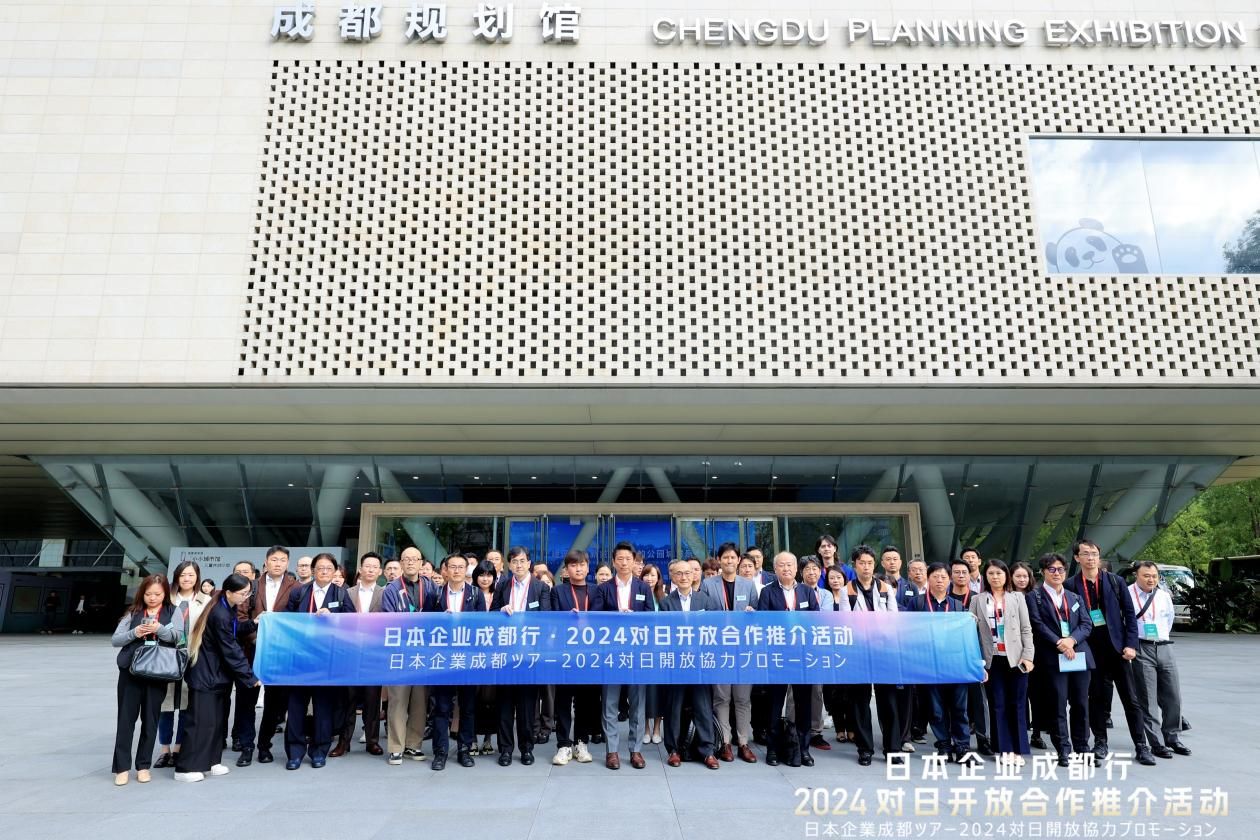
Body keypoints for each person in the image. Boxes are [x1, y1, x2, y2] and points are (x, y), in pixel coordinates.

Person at [1065, 539, 1155, 765]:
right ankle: (1100, 742)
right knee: (1096, 698)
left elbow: (1129, 615)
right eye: (1085, 554)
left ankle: (1141, 745)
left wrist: (1131, 645)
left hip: (1118, 649)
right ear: (1077, 558)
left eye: (1094, 553)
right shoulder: (1071, 585)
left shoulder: (1115, 581)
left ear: (1099, 556)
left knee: (1131, 699)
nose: (1090, 558)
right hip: (1090, 650)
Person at [174, 574, 259, 782]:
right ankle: (185, 769)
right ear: (229, 592)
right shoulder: (220, 612)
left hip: (218, 674)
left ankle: (211, 761)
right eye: (243, 593)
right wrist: (249, 676)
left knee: (215, 721)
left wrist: (253, 623)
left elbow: (233, 630)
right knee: (200, 722)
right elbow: (230, 648)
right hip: (207, 675)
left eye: (248, 593)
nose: (246, 597)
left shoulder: (226, 607)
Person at [111, 574, 185, 786]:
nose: (152, 598)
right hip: (130, 673)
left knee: (150, 721)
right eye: (148, 594)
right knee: (125, 720)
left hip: (157, 672)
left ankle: (143, 766)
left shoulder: (173, 611)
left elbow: (179, 636)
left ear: (165, 594)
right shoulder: (133, 612)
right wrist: (135, 632)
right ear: (142, 594)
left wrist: (159, 629)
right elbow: (115, 640)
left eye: (157, 594)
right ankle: (121, 768)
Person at [283, 552, 356, 769]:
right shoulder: (299, 591)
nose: (324, 571)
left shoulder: (341, 594)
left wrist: (334, 618)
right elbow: (287, 620)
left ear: (335, 572)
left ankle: (319, 750)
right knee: (296, 706)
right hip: (301, 658)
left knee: (324, 707)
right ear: (313, 570)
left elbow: (353, 623)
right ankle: (295, 752)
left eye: (328, 568)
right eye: (320, 568)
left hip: (327, 659)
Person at [838, 545, 905, 766]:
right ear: (855, 565)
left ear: (874, 564)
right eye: (861, 563)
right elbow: (846, 621)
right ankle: (865, 749)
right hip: (859, 650)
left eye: (869, 563)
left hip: (884, 650)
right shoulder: (847, 590)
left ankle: (892, 749)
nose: (866, 567)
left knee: (889, 702)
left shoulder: (885, 587)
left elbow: (894, 617)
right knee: (860, 701)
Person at [1026, 552, 1094, 767]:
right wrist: (1060, 643)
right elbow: (1037, 624)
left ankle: (1082, 748)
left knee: (1081, 704)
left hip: (1078, 655)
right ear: (1043, 572)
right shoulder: (1034, 597)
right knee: (1057, 704)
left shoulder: (1074, 597)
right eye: (1052, 569)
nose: (1057, 573)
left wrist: (1071, 641)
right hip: (1052, 657)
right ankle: (1063, 749)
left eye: (1061, 569)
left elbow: (1086, 624)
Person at [592, 541, 655, 770]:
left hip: (636, 654)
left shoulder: (643, 588)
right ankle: (612, 751)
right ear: (614, 561)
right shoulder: (604, 588)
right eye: (620, 559)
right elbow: (596, 616)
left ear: (634, 561)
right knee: (610, 703)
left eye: (629, 559)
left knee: (637, 704)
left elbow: (651, 617)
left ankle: (635, 750)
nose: (624, 563)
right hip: (612, 654)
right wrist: (617, 616)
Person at [906, 563, 975, 763]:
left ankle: (962, 747)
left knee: (959, 708)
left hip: (955, 664)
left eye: (944, 577)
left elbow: (965, 636)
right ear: (928, 579)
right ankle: (944, 746)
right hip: (929, 664)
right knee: (936, 709)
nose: (939, 581)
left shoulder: (957, 606)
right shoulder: (917, 603)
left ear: (949, 580)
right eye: (935, 577)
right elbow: (908, 631)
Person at [757, 550, 819, 767]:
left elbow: (816, 621)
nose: (786, 568)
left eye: (789, 565)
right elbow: (762, 624)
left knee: (803, 705)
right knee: (774, 705)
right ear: (775, 569)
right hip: (777, 657)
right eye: (781, 565)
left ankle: (803, 749)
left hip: (802, 658)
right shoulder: (767, 592)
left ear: (796, 569)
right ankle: (773, 750)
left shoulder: (807, 592)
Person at [491, 547, 552, 767]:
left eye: (522, 561)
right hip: (506, 655)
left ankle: (526, 748)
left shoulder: (541, 587)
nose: (518, 565)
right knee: (505, 706)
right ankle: (505, 750)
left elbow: (545, 618)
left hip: (529, 655)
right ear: (509, 565)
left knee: (527, 707)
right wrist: (500, 612)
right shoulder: (502, 586)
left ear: (529, 563)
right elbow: (491, 616)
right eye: (514, 561)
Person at [971, 560, 1035, 765]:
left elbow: (1026, 629)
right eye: (991, 573)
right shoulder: (977, 599)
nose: (995, 577)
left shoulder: (1017, 597)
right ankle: (1004, 750)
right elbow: (972, 633)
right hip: (992, 659)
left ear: (1006, 575)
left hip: (1016, 658)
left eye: (999, 573)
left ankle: (1018, 750)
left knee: (1017, 703)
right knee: (997, 704)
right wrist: (977, 662)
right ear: (986, 576)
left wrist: (1028, 656)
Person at [699, 541, 758, 763]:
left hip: (743, 650)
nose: (729, 561)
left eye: (733, 557)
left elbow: (757, 617)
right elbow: (704, 614)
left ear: (739, 560)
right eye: (725, 557)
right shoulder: (708, 584)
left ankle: (743, 742)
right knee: (721, 697)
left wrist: (752, 612)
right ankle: (725, 742)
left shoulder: (748, 585)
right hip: (719, 649)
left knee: (742, 698)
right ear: (719, 560)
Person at [660, 558, 721, 769]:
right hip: (676, 663)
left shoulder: (705, 600)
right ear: (673, 577)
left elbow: (713, 630)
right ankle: (673, 750)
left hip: (699, 664)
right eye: (679, 573)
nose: (684, 577)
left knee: (702, 707)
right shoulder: (666, 603)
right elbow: (664, 634)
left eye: (687, 573)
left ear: (694, 575)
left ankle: (707, 751)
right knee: (674, 707)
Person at [1128, 561, 1189, 759]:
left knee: (1173, 696)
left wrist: (1160, 637)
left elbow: (1169, 619)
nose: (1151, 579)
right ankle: (1156, 743)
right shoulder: (1127, 594)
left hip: (1164, 646)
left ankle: (1172, 737)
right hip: (1141, 647)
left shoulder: (1163, 595)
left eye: (1154, 576)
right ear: (1136, 575)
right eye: (1146, 575)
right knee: (1148, 699)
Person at [379, 546, 434, 765]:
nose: (410, 562)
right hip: (400, 652)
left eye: (415, 559)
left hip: (423, 652)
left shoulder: (431, 586)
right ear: (401, 563)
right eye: (406, 559)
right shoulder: (391, 589)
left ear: (421, 563)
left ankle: (413, 744)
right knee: (398, 700)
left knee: (420, 702)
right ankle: (395, 747)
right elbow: (388, 620)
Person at [430, 553, 484, 771]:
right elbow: (427, 624)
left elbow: (483, 625)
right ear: (445, 569)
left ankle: (464, 749)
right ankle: (440, 752)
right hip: (443, 659)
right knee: (442, 708)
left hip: (468, 658)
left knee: (468, 707)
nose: (457, 571)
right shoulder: (435, 594)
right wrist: (441, 619)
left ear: (466, 570)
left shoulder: (476, 594)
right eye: (452, 566)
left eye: (461, 567)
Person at [155, 560, 211, 770]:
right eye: (183, 575)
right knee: (166, 704)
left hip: (192, 657)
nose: (187, 579)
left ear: (197, 577)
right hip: (167, 656)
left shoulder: (205, 600)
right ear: (176, 577)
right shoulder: (166, 598)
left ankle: (179, 749)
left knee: (187, 705)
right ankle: (165, 750)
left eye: (191, 575)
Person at [250, 545, 297, 765]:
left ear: (288, 563)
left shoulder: (296, 587)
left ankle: (267, 747)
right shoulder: (252, 586)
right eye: (274, 559)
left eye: (282, 560)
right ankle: (249, 746)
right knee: (249, 701)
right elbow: (242, 615)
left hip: (282, 652)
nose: (278, 564)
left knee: (276, 702)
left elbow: (298, 619)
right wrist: (254, 638)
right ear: (266, 562)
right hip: (254, 648)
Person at [550, 550, 598, 766]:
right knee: (563, 700)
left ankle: (581, 742)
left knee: (585, 701)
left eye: (582, 565)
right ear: (566, 569)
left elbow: (604, 618)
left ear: (588, 567)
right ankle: (563, 744)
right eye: (573, 565)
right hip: (565, 654)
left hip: (589, 655)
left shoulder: (597, 591)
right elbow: (551, 620)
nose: (578, 569)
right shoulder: (558, 591)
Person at [335, 552, 384, 757]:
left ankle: (372, 741)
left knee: (372, 700)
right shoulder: (347, 593)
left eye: (375, 567)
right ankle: (343, 742)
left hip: (374, 654)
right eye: (367, 566)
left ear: (380, 571)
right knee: (348, 700)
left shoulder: (385, 593)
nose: (370, 570)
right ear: (360, 569)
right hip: (351, 652)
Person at [949, 557, 991, 755]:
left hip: (974, 654)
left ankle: (984, 739)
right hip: (951, 656)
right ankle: (957, 740)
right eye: (956, 572)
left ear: (970, 575)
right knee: (955, 701)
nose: (960, 575)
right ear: (950, 575)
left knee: (979, 700)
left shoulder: (979, 598)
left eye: (964, 572)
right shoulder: (945, 599)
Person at [793, 555, 831, 753]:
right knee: (793, 692)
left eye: (815, 568)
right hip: (795, 647)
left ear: (821, 571)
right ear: (801, 572)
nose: (811, 572)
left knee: (816, 691)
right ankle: (792, 728)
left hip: (816, 648)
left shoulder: (825, 595)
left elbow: (823, 619)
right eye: (807, 569)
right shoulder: (795, 591)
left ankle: (815, 731)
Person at [470, 559, 500, 755]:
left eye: (489, 575)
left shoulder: (499, 595)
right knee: (472, 697)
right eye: (481, 575)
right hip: (473, 653)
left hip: (494, 654)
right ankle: (472, 739)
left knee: (491, 698)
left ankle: (488, 739)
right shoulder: (469, 594)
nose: (485, 579)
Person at [822, 565, 854, 745]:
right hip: (830, 648)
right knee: (833, 691)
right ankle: (840, 729)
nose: (835, 581)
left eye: (838, 577)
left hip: (848, 648)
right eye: (832, 578)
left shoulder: (850, 595)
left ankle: (852, 729)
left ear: (844, 579)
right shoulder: (825, 597)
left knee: (849, 691)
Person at [639, 562, 666, 746]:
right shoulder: (638, 595)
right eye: (646, 575)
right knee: (644, 691)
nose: (649, 579)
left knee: (658, 691)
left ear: (658, 579)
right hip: (642, 651)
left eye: (653, 575)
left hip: (660, 652)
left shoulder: (664, 598)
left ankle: (657, 728)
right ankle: (646, 729)